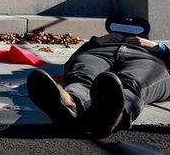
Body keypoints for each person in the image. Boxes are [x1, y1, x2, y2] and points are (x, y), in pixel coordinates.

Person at [26, 28, 170, 137]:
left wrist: (158, 47)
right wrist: (96, 42)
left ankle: (113, 114)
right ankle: (69, 103)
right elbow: (71, 62)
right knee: (83, 76)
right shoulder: (97, 45)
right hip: (99, 53)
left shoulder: (154, 49)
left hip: (146, 58)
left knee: (135, 82)